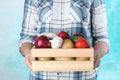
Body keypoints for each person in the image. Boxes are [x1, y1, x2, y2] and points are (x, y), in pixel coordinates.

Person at [19, 0, 110, 80]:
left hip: (82, 76)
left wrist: (98, 52)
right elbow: (27, 37)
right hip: (41, 75)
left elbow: (102, 38)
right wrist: (28, 52)